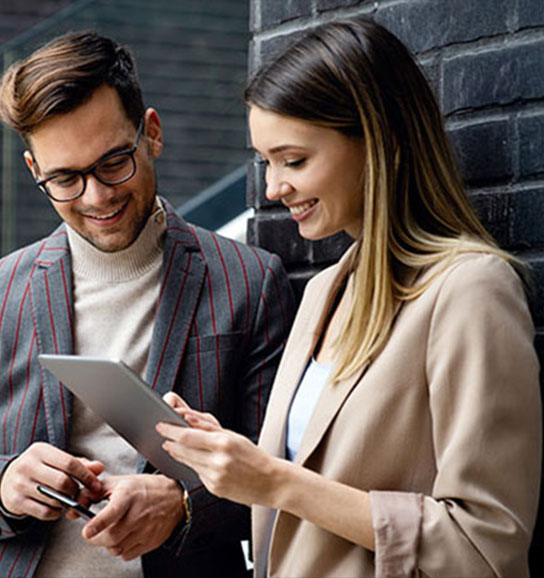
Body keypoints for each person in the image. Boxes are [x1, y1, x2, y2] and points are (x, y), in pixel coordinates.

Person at [157, 17, 542, 578]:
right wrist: (243, 462)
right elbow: (313, 482)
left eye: (294, 160)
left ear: (377, 144)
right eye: (266, 162)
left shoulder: (470, 290)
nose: (272, 188)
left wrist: (274, 481)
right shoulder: (322, 292)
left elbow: (484, 547)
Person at [0, 31, 295, 578]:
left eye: (114, 162)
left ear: (152, 134)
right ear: (33, 172)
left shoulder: (250, 281)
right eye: (65, 179)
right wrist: (2, 485)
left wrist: (185, 505)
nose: (97, 197)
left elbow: (283, 475)